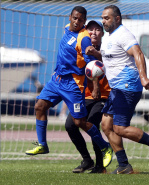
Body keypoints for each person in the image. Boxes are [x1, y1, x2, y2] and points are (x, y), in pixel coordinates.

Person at [25, 6, 113, 169]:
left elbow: (92, 65)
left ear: (84, 22)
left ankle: (105, 146)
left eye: (80, 20)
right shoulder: (67, 28)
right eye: (75, 18)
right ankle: (43, 144)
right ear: (70, 17)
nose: (77, 22)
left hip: (73, 84)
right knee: (39, 106)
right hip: (57, 80)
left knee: (79, 122)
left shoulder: (84, 38)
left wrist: (95, 85)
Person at [100, 5, 149, 174]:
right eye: (102, 18)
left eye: (107, 18)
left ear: (117, 18)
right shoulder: (109, 37)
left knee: (119, 128)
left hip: (127, 86)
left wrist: (143, 77)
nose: (103, 21)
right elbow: (112, 58)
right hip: (116, 88)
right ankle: (124, 165)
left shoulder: (124, 34)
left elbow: (138, 54)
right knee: (106, 125)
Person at [65, 20, 111, 174]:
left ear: (102, 33)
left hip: (103, 96)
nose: (93, 32)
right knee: (70, 125)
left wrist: (95, 54)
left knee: (92, 124)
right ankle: (87, 160)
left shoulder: (107, 49)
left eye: (97, 29)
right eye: (90, 29)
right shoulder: (81, 49)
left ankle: (100, 166)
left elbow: (109, 62)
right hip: (84, 96)